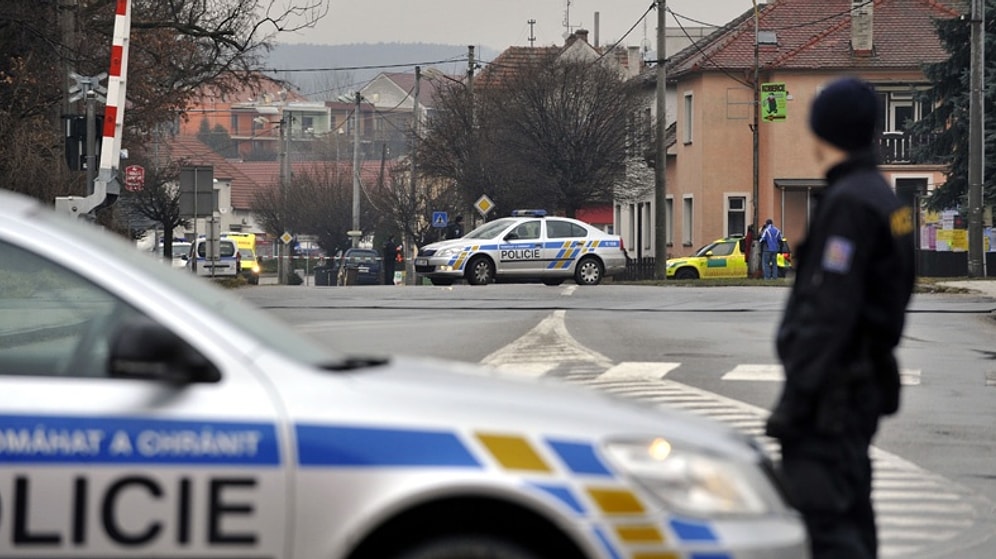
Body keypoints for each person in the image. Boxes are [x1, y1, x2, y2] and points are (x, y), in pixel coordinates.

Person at [765, 77, 915, 559]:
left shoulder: (849, 203)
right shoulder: (887, 201)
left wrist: (798, 398)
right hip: (862, 383)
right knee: (852, 510)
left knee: (828, 526)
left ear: (822, 130)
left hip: (832, 395)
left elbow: (830, 308)